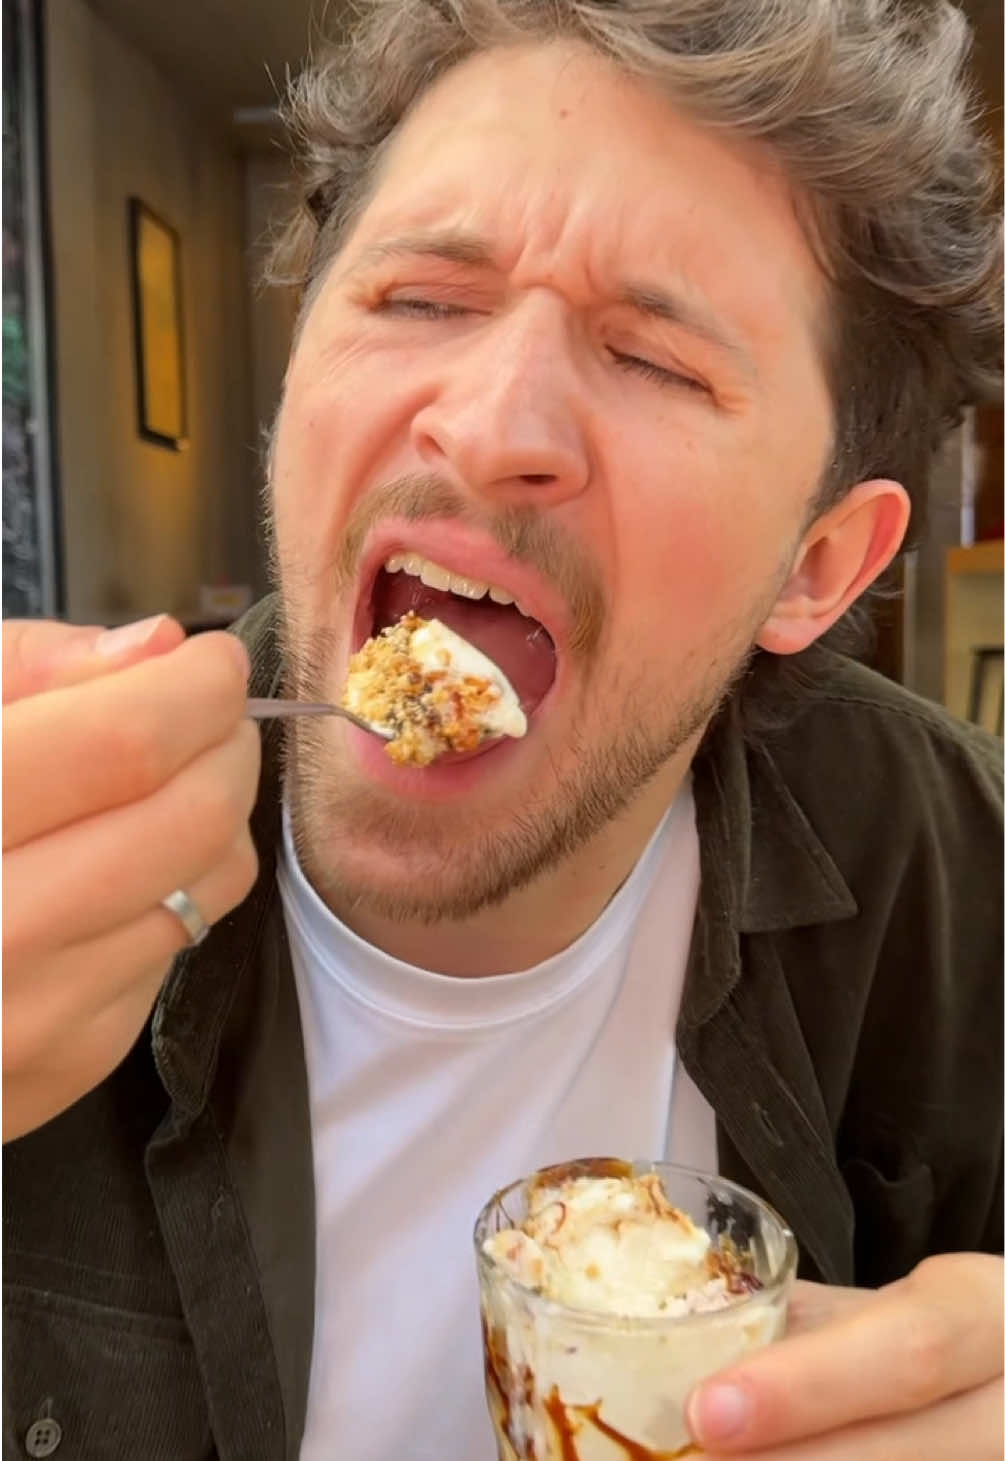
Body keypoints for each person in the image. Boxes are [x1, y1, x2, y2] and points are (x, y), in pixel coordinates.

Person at [3, 1, 1002, 1457]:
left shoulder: (952, 862)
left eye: (655, 358)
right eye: (419, 299)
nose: (487, 423)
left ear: (819, 566)